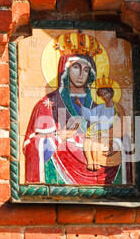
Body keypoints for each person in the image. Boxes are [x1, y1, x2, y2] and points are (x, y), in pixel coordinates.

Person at [23, 32, 131, 185]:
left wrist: (115, 144)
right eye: (76, 67)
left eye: (86, 70)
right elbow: (32, 147)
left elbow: (121, 136)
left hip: (102, 163)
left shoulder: (98, 105)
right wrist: (59, 137)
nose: (81, 74)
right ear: (65, 71)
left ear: (91, 75)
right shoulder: (48, 104)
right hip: (60, 169)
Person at [75, 77, 125, 171]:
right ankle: (90, 161)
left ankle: (96, 161)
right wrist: (80, 106)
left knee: (95, 143)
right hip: (98, 130)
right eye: (102, 95)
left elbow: (123, 125)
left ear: (112, 92)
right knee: (88, 141)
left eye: (106, 93)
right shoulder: (101, 107)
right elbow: (90, 115)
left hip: (109, 134)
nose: (104, 96)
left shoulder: (118, 108)